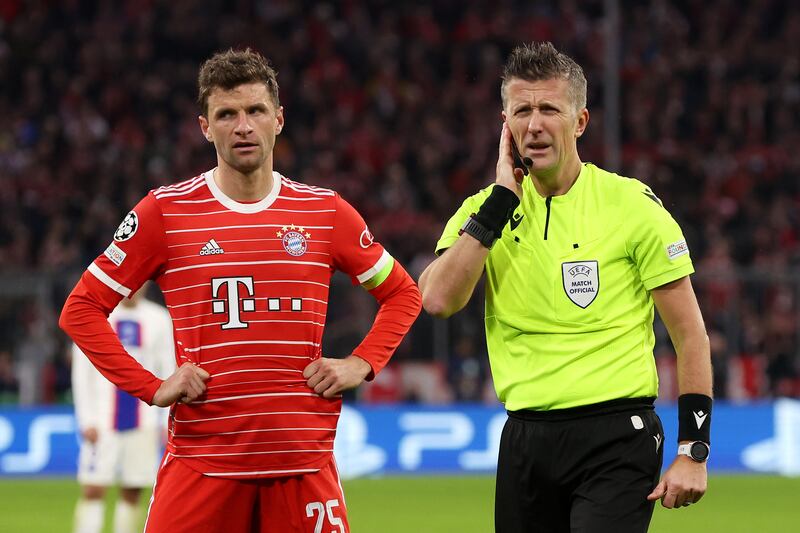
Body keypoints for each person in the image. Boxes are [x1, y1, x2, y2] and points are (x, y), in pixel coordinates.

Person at [60, 48, 421, 533]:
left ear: (279, 120)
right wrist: (152, 385)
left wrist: (361, 362)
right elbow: (81, 310)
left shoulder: (325, 213)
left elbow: (403, 293)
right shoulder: (164, 213)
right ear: (205, 127)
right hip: (201, 464)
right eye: (226, 114)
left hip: (302, 464)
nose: (243, 125)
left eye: (255, 111)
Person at [419, 42, 712, 533]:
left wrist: (693, 450)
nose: (534, 124)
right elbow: (437, 300)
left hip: (618, 435)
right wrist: (498, 206)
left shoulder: (632, 206)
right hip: (525, 439)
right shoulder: (483, 211)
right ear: (505, 124)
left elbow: (690, 336)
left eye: (549, 109)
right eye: (522, 110)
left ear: (579, 122)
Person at [72, 285, 175, 533]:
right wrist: (86, 419)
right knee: (93, 487)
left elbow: (168, 368)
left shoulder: (159, 319)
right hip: (102, 418)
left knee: (133, 489)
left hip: (145, 419)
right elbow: (81, 373)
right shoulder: (98, 315)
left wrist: (164, 420)